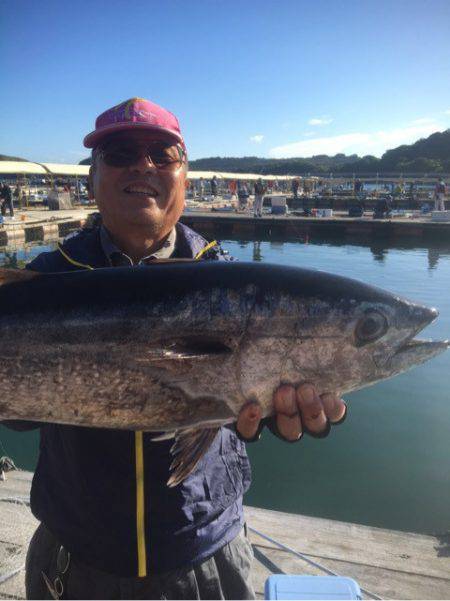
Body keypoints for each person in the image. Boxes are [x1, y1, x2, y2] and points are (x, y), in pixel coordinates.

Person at [5, 97, 346, 600]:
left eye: (162, 154)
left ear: (185, 175)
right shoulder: (42, 281)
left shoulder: (232, 281)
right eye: (121, 152)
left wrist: (278, 412)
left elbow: (251, 393)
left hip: (206, 558)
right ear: (93, 178)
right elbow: (19, 415)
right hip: (77, 558)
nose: (142, 165)